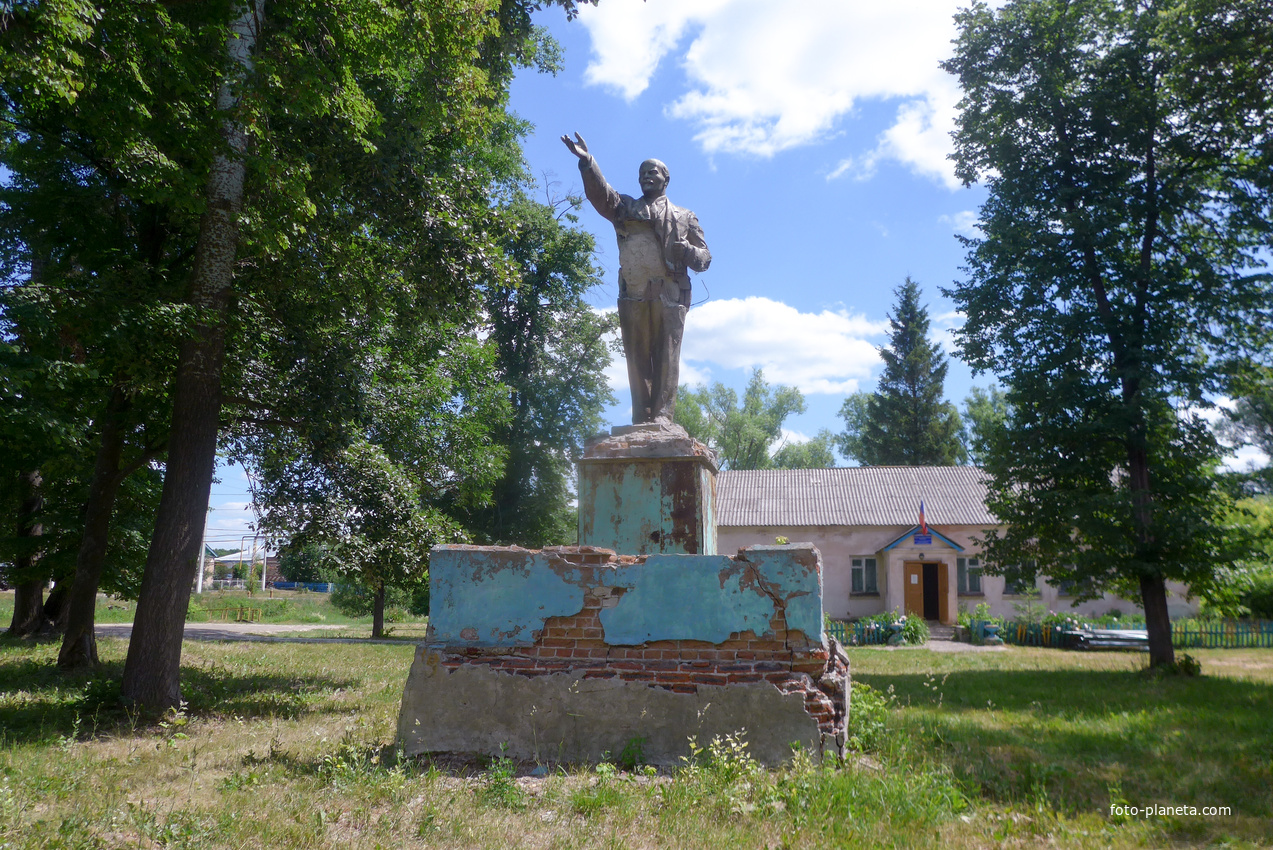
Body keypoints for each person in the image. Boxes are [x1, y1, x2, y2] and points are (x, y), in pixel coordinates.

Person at [561, 132, 711, 424]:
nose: (646, 176)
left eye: (652, 172)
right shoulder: (626, 207)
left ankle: (663, 416)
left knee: (667, 357)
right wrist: (588, 163)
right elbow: (601, 195)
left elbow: (705, 258)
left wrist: (688, 251)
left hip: (670, 292)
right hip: (635, 291)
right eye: (642, 173)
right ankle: (642, 416)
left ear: (665, 179)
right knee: (636, 356)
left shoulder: (685, 215)